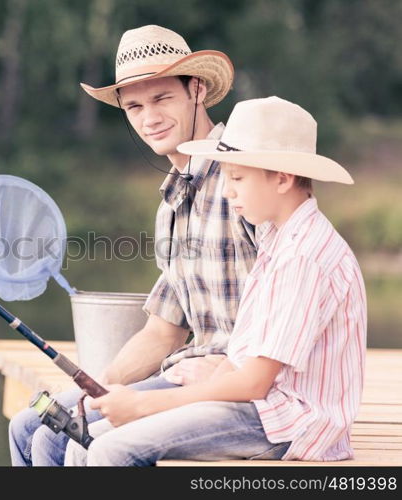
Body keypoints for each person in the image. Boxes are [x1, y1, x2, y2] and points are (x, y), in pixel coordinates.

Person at [65, 96, 367, 465]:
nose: (227, 191)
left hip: (289, 423)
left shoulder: (304, 256)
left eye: (237, 178)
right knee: (85, 442)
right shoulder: (276, 238)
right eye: (224, 177)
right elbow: (243, 357)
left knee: (111, 449)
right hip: (259, 406)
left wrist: (144, 403)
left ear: (283, 179)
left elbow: (254, 382)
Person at [9, 25, 260, 466]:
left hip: (239, 386)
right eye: (135, 106)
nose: (149, 119)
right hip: (185, 372)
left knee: (60, 441)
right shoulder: (172, 202)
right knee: (29, 424)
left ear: (196, 90)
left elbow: (293, 301)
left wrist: (227, 369)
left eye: (162, 99)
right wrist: (99, 387)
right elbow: (164, 331)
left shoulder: (241, 179)